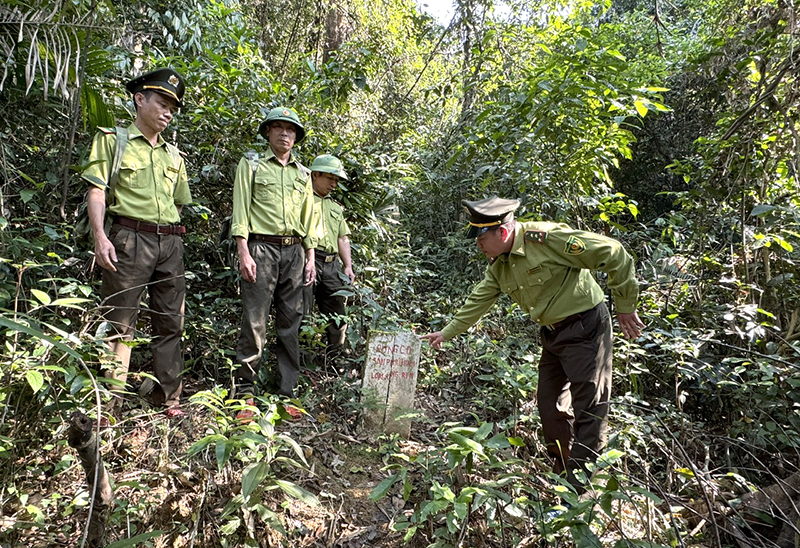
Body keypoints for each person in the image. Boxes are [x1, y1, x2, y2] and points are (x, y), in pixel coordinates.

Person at [421, 196, 644, 491]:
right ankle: (563, 473)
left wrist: (625, 305)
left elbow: (614, 253)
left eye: (482, 238)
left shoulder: (547, 239)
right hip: (553, 335)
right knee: (550, 407)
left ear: (502, 232)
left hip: (586, 327)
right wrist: (447, 332)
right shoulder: (500, 265)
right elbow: (479, 299)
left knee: (589, 409)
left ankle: (579, 491)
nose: (478, 245)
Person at [82, 67, 191, 419]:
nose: (168, 112)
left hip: (170, 243)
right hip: (129, 239)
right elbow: (97, 191)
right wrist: (101, 236)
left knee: (170, 322)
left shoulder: (174, 156)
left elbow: (177, 203)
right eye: (162, 102)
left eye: (173, 107)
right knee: (120, 322)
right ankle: (109, 403)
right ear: (140, 98)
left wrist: (166, 236)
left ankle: (168, 398)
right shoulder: (113, 141)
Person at [231, 107, 316, 418]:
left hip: (294, 252)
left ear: (296, 136)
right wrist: (243, 250)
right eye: (278, 128)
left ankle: (286, 391)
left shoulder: (303, 174)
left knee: (290, 323)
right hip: (261, 248)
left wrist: (310, 257)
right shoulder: (251, 165)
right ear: (268, 132)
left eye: (290, 129)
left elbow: (309, 217)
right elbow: (240, 209)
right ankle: (245, 393)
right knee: (254, 320)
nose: (284, 134)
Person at [303, 154, 356, 360]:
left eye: (337, 180)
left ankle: (335, 358)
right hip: (308, 259)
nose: (334, 184)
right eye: (330, 178)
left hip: (331, 264)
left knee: (337, 314)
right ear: (315, 175)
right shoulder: (302, 200)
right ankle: (304, 361)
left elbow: (343, 238)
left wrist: (348, 266)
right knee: (302, 311)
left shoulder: (335, 208)